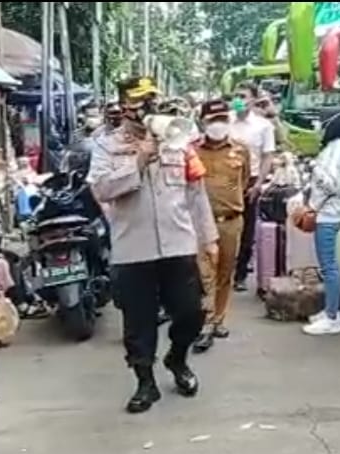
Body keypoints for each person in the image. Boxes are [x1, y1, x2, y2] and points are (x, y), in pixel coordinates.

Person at [88, 75, 219, 414]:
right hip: (133, 249)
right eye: (138, 100)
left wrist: (209, 238)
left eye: (150, 98)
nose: (146, 106)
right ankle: (145, 382)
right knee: (138, 322)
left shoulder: (178, 140)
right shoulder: (106, 145)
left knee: (191, 311)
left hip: (178, 244)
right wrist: (137, 161)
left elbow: (195, 194)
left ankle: (177, 358)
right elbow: (100, 189)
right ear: (123, 106)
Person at [193, 99, 251, 353]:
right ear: (203, 122)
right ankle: (205, 322)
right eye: (212, 120)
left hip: (230, 221)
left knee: (226, 272)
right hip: (200, 224)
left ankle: (218, 319)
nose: (217, 125)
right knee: (205, 274)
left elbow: (245, 181)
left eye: (222, 120)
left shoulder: (241, 150)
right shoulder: (191, 150)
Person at [302, 110, 340, 336]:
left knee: (329, 267)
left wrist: (314, 168)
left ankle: (333, 317)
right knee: (329, 266)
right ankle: (329, 311)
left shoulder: (339, 148)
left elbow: (331, 182)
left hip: (328, 213)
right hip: (332, 211)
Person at [229, 83, 277, 292]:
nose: (238, 100)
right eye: (236, 96)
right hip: (226, 181)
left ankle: (239, 274)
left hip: (250, 181)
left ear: (253, 100)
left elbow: (268, 156)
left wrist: (259, 184)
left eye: (243, 96)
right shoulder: (224, 121)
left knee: (247, 229)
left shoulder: (263, 126)